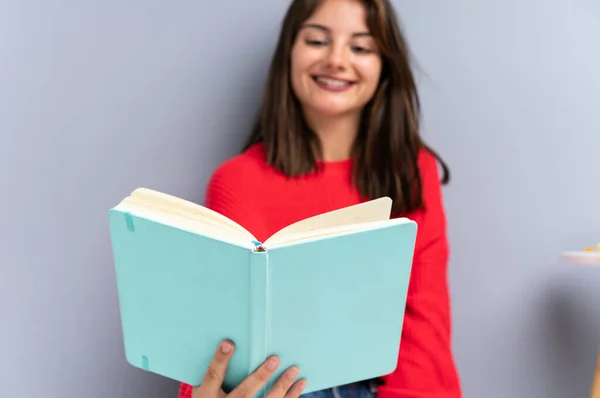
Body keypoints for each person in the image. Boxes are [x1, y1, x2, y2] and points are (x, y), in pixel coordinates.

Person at [178, 0, 462, 397]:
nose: (336, 60)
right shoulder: (236, 181)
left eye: (360, 47)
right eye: (317, 40)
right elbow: (215, 337)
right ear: (289, 53)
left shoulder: (410, 172)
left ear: (385, 68)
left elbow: (422, 328)